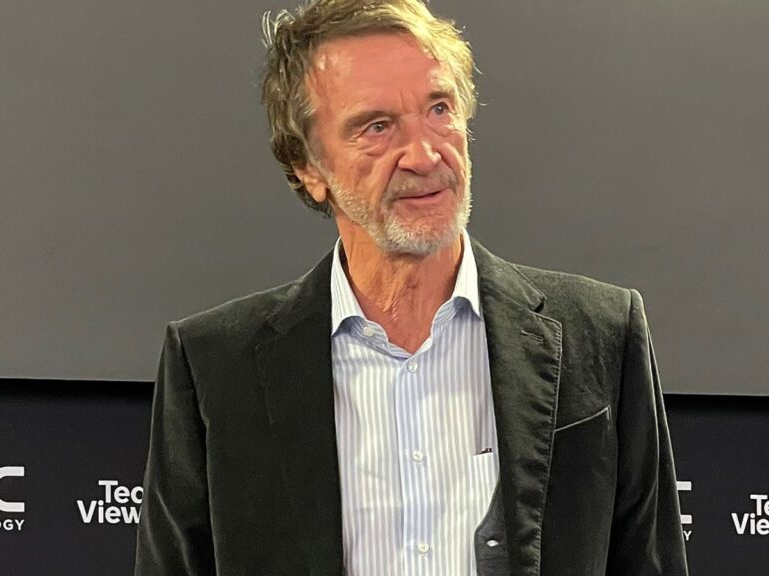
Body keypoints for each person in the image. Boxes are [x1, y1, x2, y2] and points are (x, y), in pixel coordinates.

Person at [134, 1, 689, 575]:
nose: (425, 155)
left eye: (439, 109)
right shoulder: (214, 368)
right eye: (377, 126)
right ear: (307, 166)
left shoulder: (600, 333)